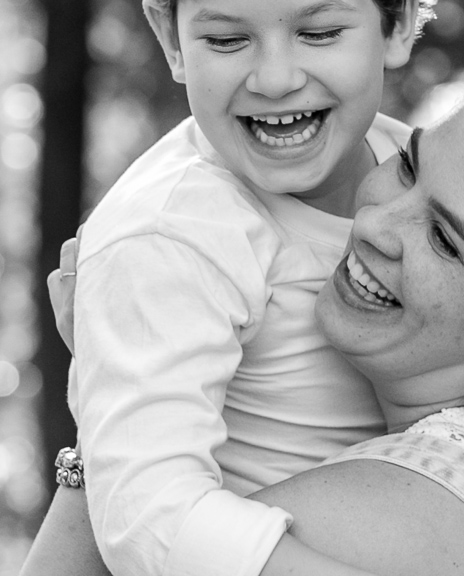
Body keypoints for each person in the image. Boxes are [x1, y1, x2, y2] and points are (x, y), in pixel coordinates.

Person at [22, 0, 435, 576]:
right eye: (225, 38)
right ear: (169, 39)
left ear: (400, 20)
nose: (275, 78)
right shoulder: (175, 232)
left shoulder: (417, 171)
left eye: (318, 32)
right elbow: (148, 511)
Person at [23, 103, 464, 575]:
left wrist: (117, 382)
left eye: (443, 240)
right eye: (406, 164)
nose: (373, 224)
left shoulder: (412, 497)